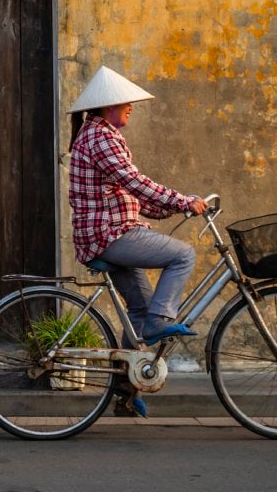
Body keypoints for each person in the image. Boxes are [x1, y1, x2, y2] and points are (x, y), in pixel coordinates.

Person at [67, 66, 207, 348]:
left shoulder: (98, 134)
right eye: (126, 102)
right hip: (109, 235)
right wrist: (180, 200)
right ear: (109, 106)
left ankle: (125, 389)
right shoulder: (101, 137)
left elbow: (128, 194)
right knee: (183, 255)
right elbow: (133, 181)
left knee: (140, 312)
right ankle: (160, 321)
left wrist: (177, 207)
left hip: (104, 234)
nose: (131, 107)